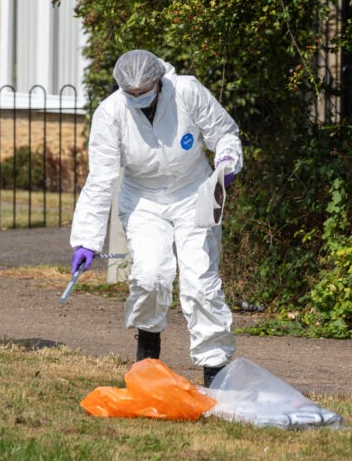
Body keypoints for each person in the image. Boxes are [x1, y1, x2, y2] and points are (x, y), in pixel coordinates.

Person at [69, 49, 243, 387]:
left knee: (200, 281)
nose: (138, 98)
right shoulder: (110, 113)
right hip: (144, 199)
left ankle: (215, 371)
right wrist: (86, 239)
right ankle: (147, 352)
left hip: (194, 192)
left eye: (144, 91)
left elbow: (225, 133)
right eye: (130, 94)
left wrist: (226, 161)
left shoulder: (188, 91)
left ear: (158, 81)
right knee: (150, 274)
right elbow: (101, 178)